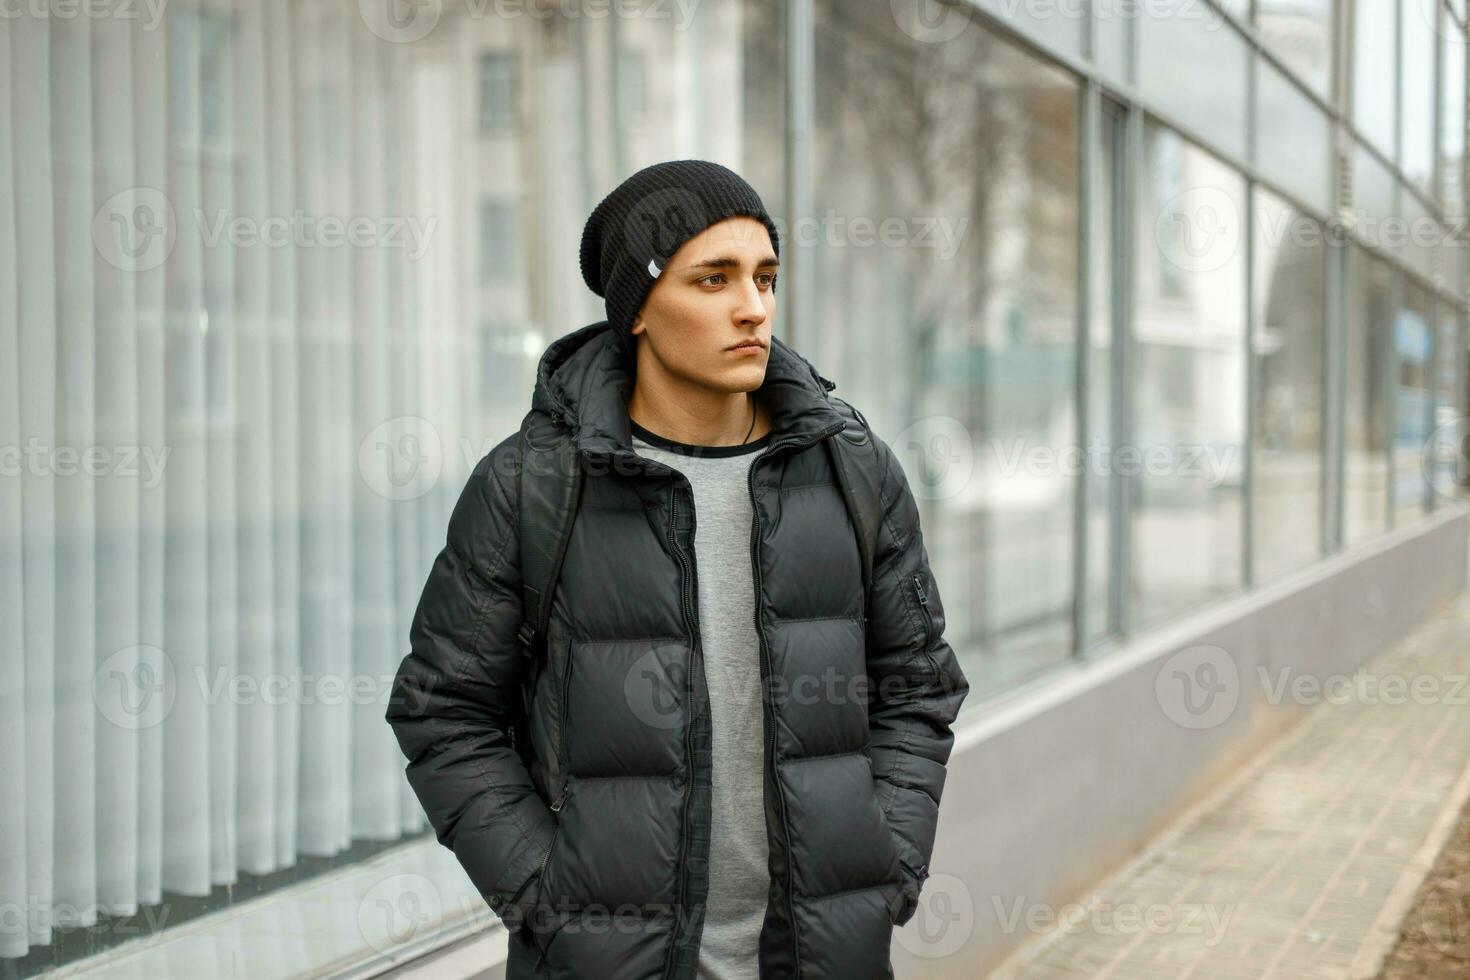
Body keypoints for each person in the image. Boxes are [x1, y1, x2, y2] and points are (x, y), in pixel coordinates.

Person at [386, 159, 969, 979]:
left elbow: (919, 685)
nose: (753, 308)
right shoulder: (533, 486)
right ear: (638, 311)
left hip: (819, 957)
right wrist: (550, 902)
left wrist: (885, 866)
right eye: (713, 279)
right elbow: (442, 711)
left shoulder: (852, 471)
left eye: (765, 276)